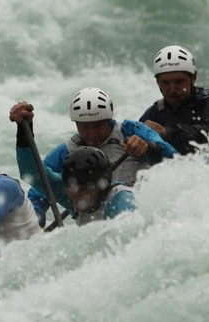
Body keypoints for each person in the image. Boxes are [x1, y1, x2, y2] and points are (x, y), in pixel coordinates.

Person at [9, 87, 176, 223]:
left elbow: (174, 160)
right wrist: (24, 129)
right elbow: (35, 177)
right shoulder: (66, 158)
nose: (91, 134)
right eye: (85, 127)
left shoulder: (130, 131)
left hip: (138, 205)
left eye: (98, 126)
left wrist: (149, 148)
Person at [13, 141, 137, 226]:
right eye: (72, 188)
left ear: (102, 186)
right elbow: (33, 173)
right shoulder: (71, 193)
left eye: (84, 190)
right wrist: (24, 131)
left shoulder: (123, 203)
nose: (77, 198)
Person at [139, 45, 209, 155]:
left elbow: (207, 133)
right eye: (165, 83)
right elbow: (131, 137)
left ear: (193, 77)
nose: (172, 89)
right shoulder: (155, 112)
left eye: (179, 82)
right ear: (157, 83)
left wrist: (165, 132)